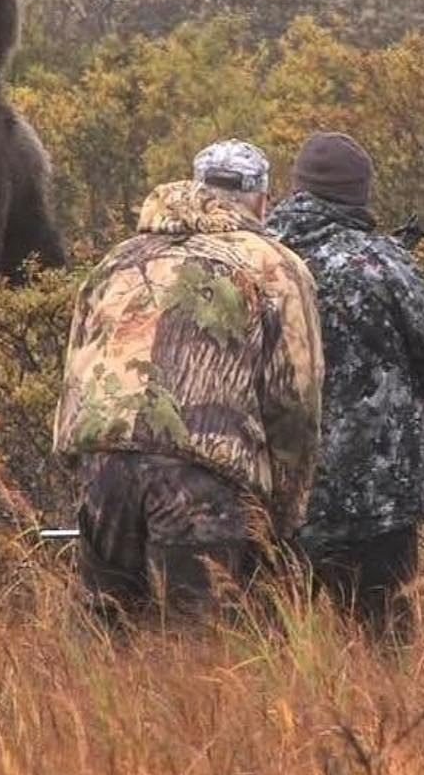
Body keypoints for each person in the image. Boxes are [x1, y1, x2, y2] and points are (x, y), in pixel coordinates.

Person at [53, 139, 324, 621]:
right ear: (263, 199)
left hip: (104, 466)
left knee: (107, 635)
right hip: (201, 474)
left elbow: (74, 371)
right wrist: (281, 516)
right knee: (197, 644)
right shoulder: (275, 265)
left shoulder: (117, 259)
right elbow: (294, 400)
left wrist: (83, 468)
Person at [267, 132, 424, 641]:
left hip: (273, 493)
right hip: (375, 497)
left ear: (296, 185)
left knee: (268, 650)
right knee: (384, 648)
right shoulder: (378, 262)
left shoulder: (253, 259)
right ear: (360, 192)